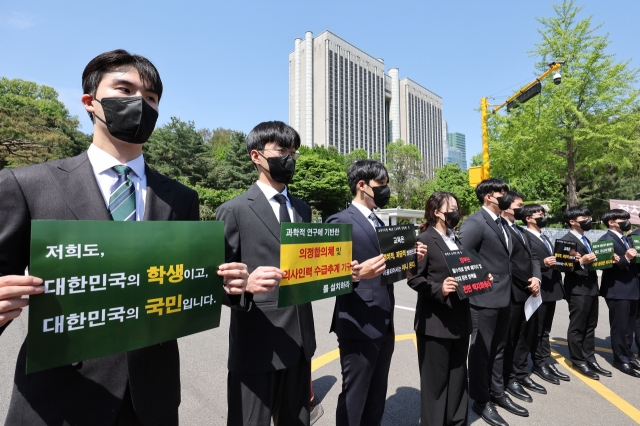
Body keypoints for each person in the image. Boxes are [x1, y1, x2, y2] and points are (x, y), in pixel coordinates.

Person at [0, 50, 249, 426]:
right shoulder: (27, 185)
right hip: (59, 398)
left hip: (152, 399)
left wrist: (231, 286)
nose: (140, 103)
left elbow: (189, 282)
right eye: (125, 89)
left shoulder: (181, 198)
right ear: (90, 102)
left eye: (150, 97)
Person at [217, 121, 360, 426]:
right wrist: (243, 286)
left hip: (300, 342)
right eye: (282, 150)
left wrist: (340, 271)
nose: (290, 158)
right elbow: (216, 281)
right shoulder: (234, 210)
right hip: (257, 345)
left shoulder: (303, 209)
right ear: (256, 156)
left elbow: (306, 267)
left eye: (293, 152)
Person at [326, 160, 425, 426]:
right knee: (355, 395)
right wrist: (357, 274)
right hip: (358, 321)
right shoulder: (339, 220)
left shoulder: (380, 223)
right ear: (362, 185)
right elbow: (327, 274)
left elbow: (391, 268)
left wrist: (411, 260)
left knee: (377, 393)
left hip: (384, 320)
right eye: (381, 185)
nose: (385, 191)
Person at [460, 178, 528, 426]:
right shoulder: (475, 223)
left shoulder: (503, 224)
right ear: (489, 196)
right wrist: (479, 279)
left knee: (499, 348)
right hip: (483, 298)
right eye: (502, 192)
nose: (507, 197)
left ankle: (497, 392)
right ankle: (480, 399)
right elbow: (461, 259)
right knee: (481, 352)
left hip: (505, 297)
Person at [408, 191, 474, 426]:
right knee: (435, 384)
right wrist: (439, 288)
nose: (456, 212)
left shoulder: (455, 239)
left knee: (458, 377)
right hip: (435, 323)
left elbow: (465, 272)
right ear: (437, 212)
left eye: (457, 208)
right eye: (451, 208)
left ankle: (456, 421)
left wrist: (481, 279)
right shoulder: (424, 240)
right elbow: (414, 279)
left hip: (460, 320)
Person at [500, 192, 545, 403]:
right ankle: (509, 377)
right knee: (510, 338)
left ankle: (521, 373)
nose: (522, 209)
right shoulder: (500, 229)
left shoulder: (519, 230)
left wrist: (537, 278)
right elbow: (506, 261)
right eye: (519, 205)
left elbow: (533, 257)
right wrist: (528, 281)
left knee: (524, 336)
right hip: (514, 291)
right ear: (507, 207)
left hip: (530, 291)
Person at [561, 206, 613, 380]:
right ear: (572, 221)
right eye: (584, 217)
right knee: (578, 326)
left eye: (589, 216)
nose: (588, 220)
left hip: (591, 288)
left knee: (591, 325)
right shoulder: (565, 241)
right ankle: (578, 359)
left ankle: (589, 357)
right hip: (577, 290)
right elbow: (563, 267)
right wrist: (581, 262)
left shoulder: (585, 239)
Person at [521, 204, 570, 384]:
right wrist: (542, 263)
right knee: (538, 329)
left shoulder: (543, 235)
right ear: (528, 218)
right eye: (539, 214)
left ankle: (546, 359)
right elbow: (525, 262)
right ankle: (538, 362)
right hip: (538, 289)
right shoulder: (525, 236)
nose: (543, 217)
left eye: (543, 214)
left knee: (545, 330)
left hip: (552, 288)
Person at [599, 209, 639, 377]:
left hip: (632, 289)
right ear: (611, 222)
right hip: (617, 290)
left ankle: (628, 354)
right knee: (619, 327)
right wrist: (626, 258)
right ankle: (619, 358)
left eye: (626, 218)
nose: (626, 221)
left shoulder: (626, 238)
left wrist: (626, 258)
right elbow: (603, 264)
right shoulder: (606, 239)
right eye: (622, 219)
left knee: (629, 327)